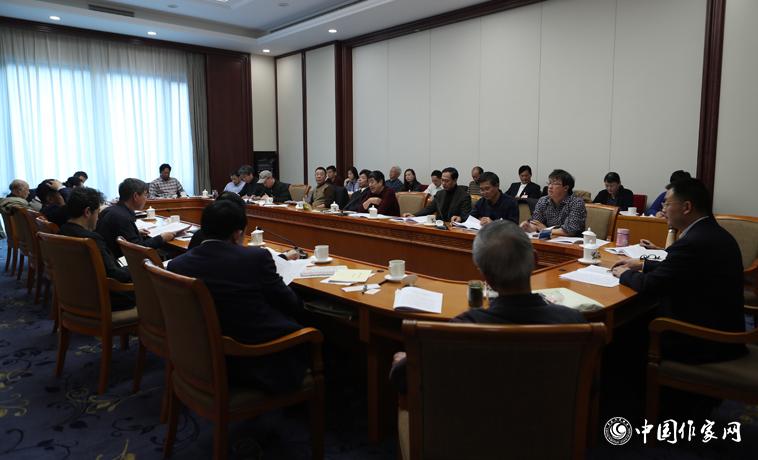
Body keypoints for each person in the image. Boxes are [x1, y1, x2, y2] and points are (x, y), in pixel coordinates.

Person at [390, 220, 586, 460]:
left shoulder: (458, 331)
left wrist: (403, 359)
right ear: (535, 260)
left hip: (470, 443)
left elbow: (402, 378)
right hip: (546, 442)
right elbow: (589, 388)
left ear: (484, 276)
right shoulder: (574, 323)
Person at [168, 200, 308, 393]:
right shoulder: (255, 258)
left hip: (199, 355)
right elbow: (291, 304)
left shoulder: (176, 265)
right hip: (252, 359)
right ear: (237, 233)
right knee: (313, 330)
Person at [612, 178, 746, 364]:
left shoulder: (692, 243)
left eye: (667, 203)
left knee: (621, 332)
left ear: (687, 207)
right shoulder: (713, 232)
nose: (663, 209)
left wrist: (624, 274)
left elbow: (651, 285)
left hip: (704, 340)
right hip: (723, 328)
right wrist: (643, 265)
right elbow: (683, 268)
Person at [59, 187, 134, 310]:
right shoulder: (91, 240)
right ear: (87, 212)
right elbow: (115, 275)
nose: (98, 218)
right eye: (97, 212)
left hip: (77, 294)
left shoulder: (62, 231)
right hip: (106, 299)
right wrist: (136, 268)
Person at [96, 178, 176, 258]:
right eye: (145, 195)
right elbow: (139, 248)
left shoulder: (110, 210)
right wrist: (162, 238)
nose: (146, 198)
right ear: (135, 196)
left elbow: (119, 233)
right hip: (121, 260)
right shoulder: (122, 217)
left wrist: (135, 232)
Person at [519, 169, 586, 237]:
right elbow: (536, 223)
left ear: (566, 188)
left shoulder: (576, 203)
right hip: (548, 240)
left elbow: (571, 231)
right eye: (549, 183)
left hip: (572, 242)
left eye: (555, 184)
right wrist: (528, 227)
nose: (550, 187)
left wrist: (545, 230)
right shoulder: (543, 201)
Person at [407, 167, 471, 222]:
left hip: (454, 228)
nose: (443, 183)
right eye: (442, 180)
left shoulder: (464, 196)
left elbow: (466, 215)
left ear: (455, 180)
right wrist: (414, 215)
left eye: (447, 181)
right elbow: (429, 209)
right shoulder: (440, 194)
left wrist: (460, 218)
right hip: (439, 226)